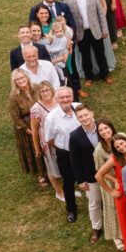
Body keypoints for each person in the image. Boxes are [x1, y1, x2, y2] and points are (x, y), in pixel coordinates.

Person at [62, 0, 111, 88]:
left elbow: (100, 13)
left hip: (95, 30)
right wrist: (72, 36)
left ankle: (105, 74)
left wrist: (104, 29)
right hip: (80, 32)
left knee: (100, 54)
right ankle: (89, 77)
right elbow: (68, 19)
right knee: (85, 56)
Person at [42, 87, 81, 223]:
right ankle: (71, 208)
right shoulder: (52, 117)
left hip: (83, 151)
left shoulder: (79, 108)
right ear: (57, 99)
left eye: (68, 96)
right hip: (65, 154)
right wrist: (63, 148)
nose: (65, 99)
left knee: (91, 175)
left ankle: (99, 203)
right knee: (69, 181)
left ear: (72, 97)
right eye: (62, 97)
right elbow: (49, 139)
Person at [68, 104, 105, 243]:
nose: (84, 118)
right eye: (80, 117)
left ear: (91, 113)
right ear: (77, 119)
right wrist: (81, 180)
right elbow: (74, 160)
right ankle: (96, 227)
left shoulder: (103, 127)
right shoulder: (75, 136)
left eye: (85, 115)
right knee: (94, 202)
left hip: (108, 171)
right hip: (90, 175)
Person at [8, 70, 45, 185]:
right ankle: (41, 174)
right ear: (14, 82)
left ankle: (53, 169)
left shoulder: (37, 88)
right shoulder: (14, 97)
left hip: (42, 122)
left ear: (27, 76)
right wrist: (30, 131)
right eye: (17, 79)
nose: (21, 80)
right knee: (35, 148)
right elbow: (16, 119)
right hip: (27, 127)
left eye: (22, 77)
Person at [30, 80, 64, 199]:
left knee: (65, 164)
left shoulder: (59, 101)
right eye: (42, 91)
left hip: (63, 138)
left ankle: (68, 187)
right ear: (39, 93)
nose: (45, 93)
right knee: (52, 169)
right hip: (48, 143)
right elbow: (34, 131)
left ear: (52, 90)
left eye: (47, 90)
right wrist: (37, 148)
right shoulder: (36, 109)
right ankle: (59, 192)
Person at [92, 120, 122, 250]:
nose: (104, 132)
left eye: (106, 128)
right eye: (101, 130)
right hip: (111, 181)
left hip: (125, 177)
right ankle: (116, 236)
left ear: (111, 127)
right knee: (112, 208)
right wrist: (113, 180)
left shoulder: (121, 138)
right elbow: (100, 171)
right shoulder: (99, 150)